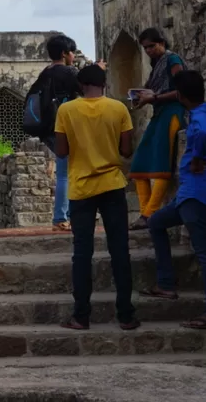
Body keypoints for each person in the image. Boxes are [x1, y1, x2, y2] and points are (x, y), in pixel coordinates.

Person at [144, 70, 206, 330]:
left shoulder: (200, 119)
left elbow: (204, 132)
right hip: (192, 195)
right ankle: (165, 283)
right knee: (156, 223)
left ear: (181, 96)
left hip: (198, 194)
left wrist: (197, 156)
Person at [55, 63, 138, 331]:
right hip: (112, 184)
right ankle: (125, 315)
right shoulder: (119, 108)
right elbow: (126, 150)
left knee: (82, 253)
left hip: (81, 188)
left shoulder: (66, 111)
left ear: (80, 85)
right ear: (105, 83)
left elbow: (61, 151)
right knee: (119, 251)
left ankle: (81, 316)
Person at [129, 28, 186, 229]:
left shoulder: (173, 60)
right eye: (145, 48)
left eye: (152, 46)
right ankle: (146, 213)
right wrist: (142, 99)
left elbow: (182, 90)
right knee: (139, 166)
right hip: (159, 114)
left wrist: (153, 98)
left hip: (172, 113)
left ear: (162, 42)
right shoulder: (156, 66)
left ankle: (150, 213)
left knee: (161, 166)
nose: (149, 51)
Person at [27, 34, 81, 232]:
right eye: (71, 52)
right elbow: (87, 89)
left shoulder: (45, 73)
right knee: (67, 174)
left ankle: (65, 216)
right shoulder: (68, 72)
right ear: (64, 53)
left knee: (64, 173)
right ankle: (62, 216)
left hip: (48, 128)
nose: (73, 56)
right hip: (64, 127)